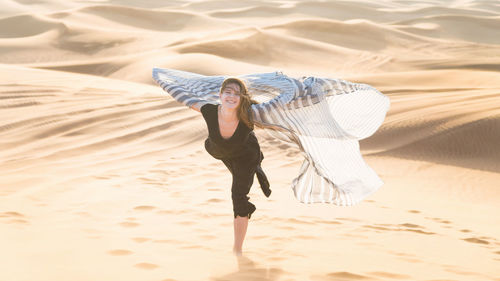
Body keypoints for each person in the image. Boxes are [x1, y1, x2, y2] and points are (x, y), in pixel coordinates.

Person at [189, 77, 271, 256]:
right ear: (220, 95)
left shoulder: (250, 113)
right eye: (228, 92)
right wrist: (162, 79)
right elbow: (184, 98)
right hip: (223, 151)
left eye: (237, 94)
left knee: (238, 196)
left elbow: (278, 110)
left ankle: (237, 250)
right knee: (214, 146)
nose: (232, 97)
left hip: (246, 155)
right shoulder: (210, 110)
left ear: (242, 99)